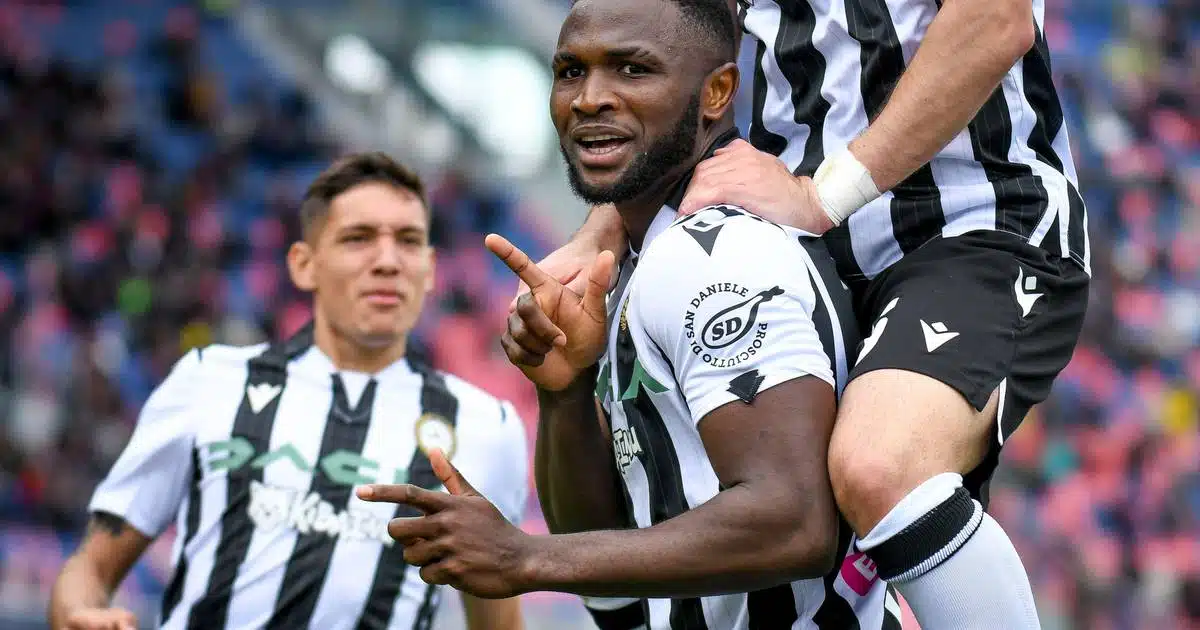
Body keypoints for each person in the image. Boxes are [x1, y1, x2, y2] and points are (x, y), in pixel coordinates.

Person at [524, 0, 1091, 627]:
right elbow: (674, 34)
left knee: (880, 466)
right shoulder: (703, 253)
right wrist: (600, 231)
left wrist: (822, 194)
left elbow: (996, 19)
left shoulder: (726, 245)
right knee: (696, 487)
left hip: (971, 223)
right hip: (796, 230)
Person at [356, 0, 900, 628]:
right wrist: (566, 392)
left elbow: (794, 523)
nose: (590, 99)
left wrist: (525, 557)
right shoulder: (638, 262)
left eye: (632, 70)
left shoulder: (715, 254)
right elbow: (611, 581)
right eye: (570, 72)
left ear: (718, 92)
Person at [48, 153, 528, 630]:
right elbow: (90, 568)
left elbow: (498, 621)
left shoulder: (484, 427)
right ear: (304, 265)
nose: (387, 261)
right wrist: (78, 614)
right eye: (358, 238)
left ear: (429, 269)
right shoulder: (208, 381)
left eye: (408, 241)